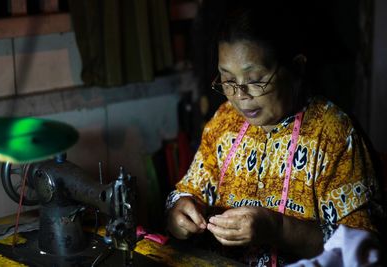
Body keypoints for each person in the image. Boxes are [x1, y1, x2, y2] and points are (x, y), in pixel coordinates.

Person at [165, 1, 385, 266]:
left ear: (297, 68)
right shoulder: (224, 121)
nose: (240, 96)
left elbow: (362, 246)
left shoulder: (334, 135)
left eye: (256, 79)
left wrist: (278, 228)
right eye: (228, 79)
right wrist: (181, 211)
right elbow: (189, 191)